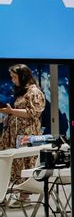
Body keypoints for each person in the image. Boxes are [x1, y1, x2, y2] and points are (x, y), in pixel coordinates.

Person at [0, 64, 46, 207]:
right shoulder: (22, 92)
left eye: (15, 77)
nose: (13, 80)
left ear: (23, 76)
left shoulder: (34, 92)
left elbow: (34, 113)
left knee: (25, 161)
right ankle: (17, 193)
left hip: (27, 133)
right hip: (15, 132)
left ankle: (25, 195)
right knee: (15, 162)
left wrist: (12, 111)